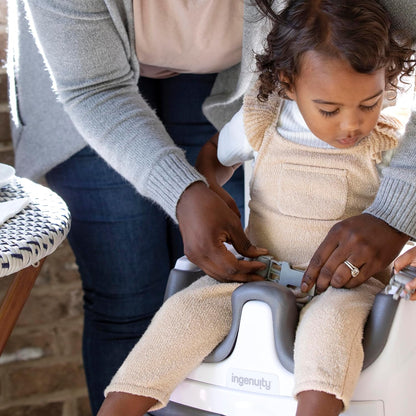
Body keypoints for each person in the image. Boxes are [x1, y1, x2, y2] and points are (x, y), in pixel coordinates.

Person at [9, 0, 415, 413]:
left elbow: (410, 191)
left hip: (341, 286)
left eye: (370, 104)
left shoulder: (388, 140)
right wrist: (195, 191)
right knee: (175, 315)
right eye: (329, 110)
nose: (351, 125)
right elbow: (214, 155)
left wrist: (396, 219)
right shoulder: (261, 121)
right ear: (289, 83)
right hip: (258, 273)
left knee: (330, 335)